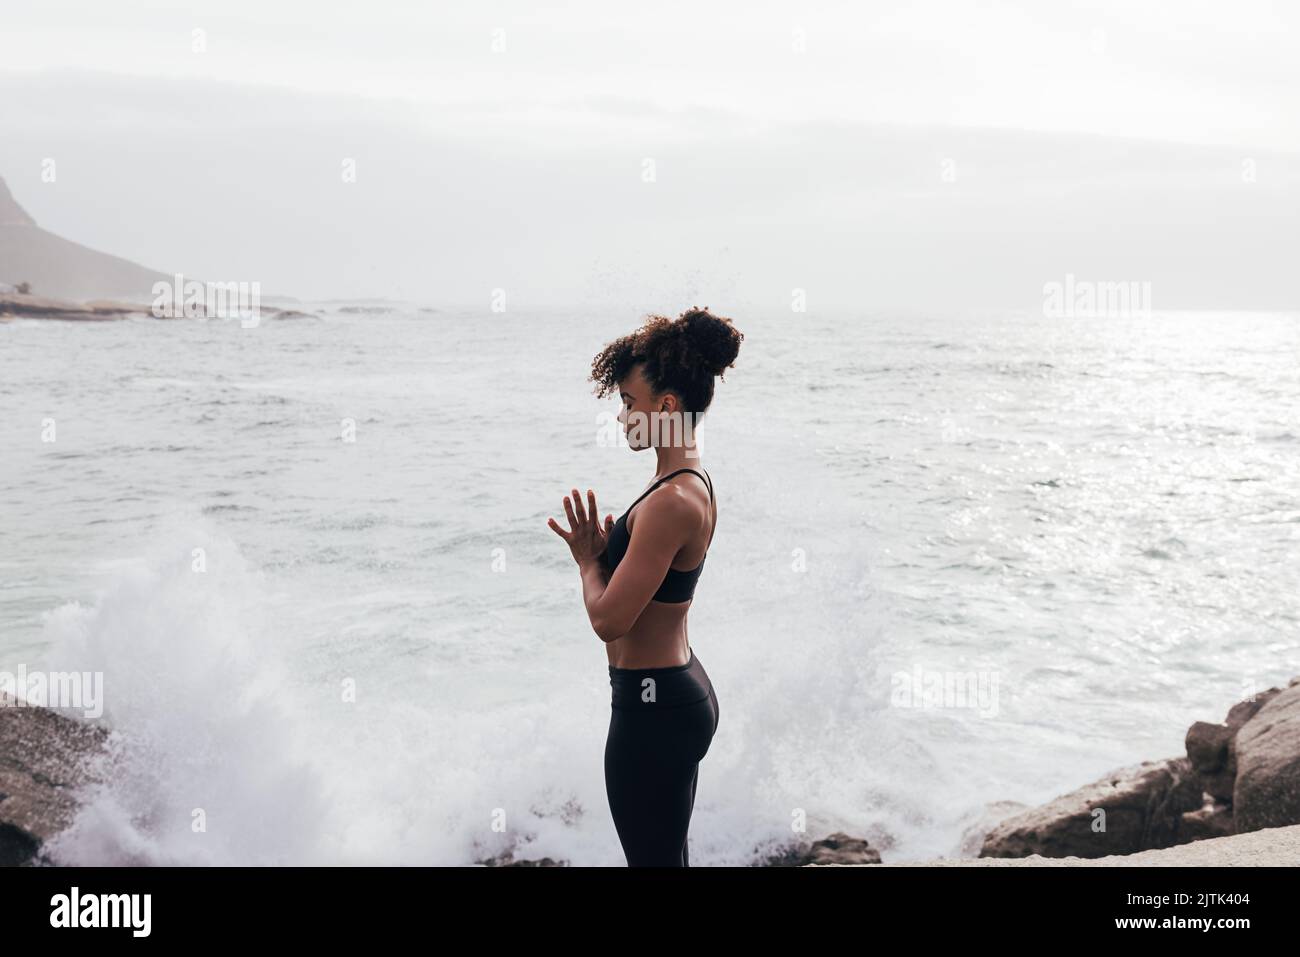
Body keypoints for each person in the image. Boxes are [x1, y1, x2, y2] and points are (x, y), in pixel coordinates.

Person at [548, 306, 743, 866]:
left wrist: (588, 561)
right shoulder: (686, 482)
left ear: (667, 406)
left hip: (652, 709)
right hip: (675, 694)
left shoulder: (670, 501)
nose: (621, 417)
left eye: (628, 403)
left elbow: (610, 620)